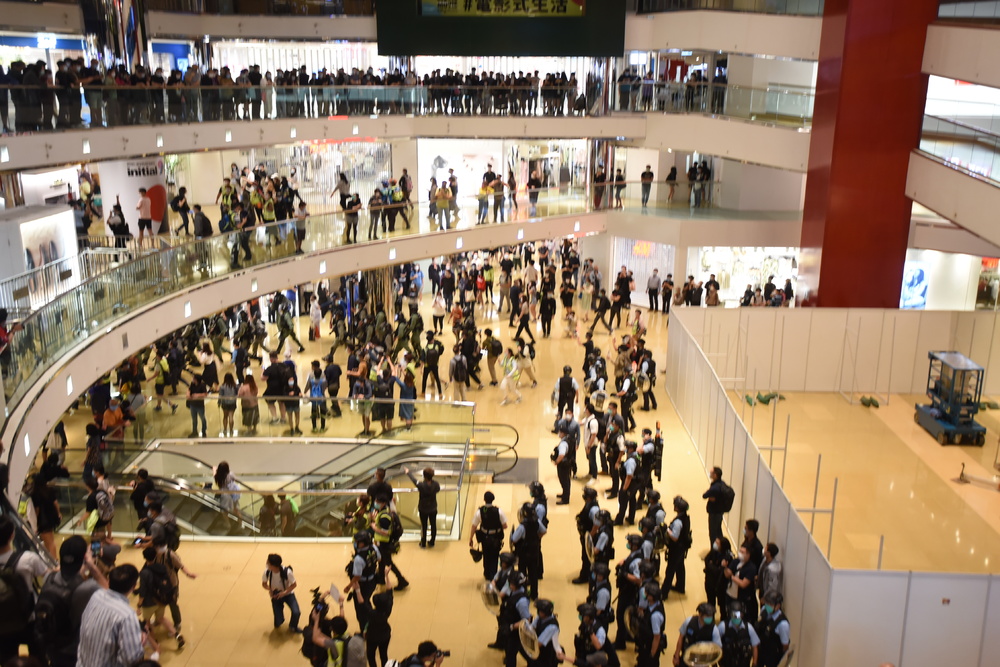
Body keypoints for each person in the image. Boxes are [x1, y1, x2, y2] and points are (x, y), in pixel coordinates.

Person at [36, 536, 108, 667]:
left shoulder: (49, 578)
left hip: (52, 644)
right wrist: (91, 565)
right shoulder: (87, 588)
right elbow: (110, 594)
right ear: (84, 559)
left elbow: (60, 571)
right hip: (74, 649)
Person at [0, 516, 48, 662]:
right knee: (38, 658)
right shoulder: (28, 558)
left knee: (8, 660)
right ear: (12, 535)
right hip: (28, 618)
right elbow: (46, 577)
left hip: (3, 623)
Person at [76, 564, 144, 667]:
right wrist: (139, 643)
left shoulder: (96, 595)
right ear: (134, 587)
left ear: (108, 581)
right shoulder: (127, 615)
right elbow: (131, 659)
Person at [344, 529, 380, 629]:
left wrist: (348, 586)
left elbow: (357, 576)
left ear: (363, 543)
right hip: (372, 581)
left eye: (357, 542)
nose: (355, 543)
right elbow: (379, 559)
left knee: (361, 609)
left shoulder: (359, 559)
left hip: (362, 585)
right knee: (366, 601)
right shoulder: (374, 548)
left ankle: (364, 630)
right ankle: (373, 619)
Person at [470, 491, 507, 580]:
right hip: (496, 538)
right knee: (494, 556)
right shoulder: (499, 511)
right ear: (493, 499)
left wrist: (470, 538)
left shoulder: (480, 512)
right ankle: (493, 575)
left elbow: (474, 526)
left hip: (484, 538)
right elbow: (505, 526)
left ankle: (486, 573)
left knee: (486, 555)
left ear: (484, 500)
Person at [672, 603, 722, 667]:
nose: (709, 618)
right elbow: (681, 638)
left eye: (711, 616)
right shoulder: (689, 622)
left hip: (703, 662)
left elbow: (717, 648)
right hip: (687, 657)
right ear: (700, 614)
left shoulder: (714, 629)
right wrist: (676, 656)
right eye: (707, 616)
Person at [500, 571, 532, 667]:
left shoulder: (522, 601)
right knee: (520, 648)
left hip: (516, 631)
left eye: (511, 583)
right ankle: (533, 662)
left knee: (511, 653)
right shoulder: (514, 591)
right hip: (510, 627)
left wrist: (511, 627)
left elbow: (527, 620)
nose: (509, 584)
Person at [262, 553, 301, 633]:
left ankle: (293, 626)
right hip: (275, 596)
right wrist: (270, 589)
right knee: (278, 620)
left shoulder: (287, 572)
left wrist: (284, 593)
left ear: (273, 565)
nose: (266, 563)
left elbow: (294, 584)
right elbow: (264, 584)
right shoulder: (267, 572)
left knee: (296, 612)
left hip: (288, 594)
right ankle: (278, 621)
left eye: (268, 562)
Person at [663, 496, 692, 598]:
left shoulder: (678, 522)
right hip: (682, 547)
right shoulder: (686, 518)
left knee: (670, 570)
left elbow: (675, 537)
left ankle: (664, 593)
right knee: (680, 567)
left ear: (677, 508)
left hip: (676, 548)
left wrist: (667, 529)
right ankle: (680, 586)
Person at [406, 467, 440, 548]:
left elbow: (414, 480)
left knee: (424, 526)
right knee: (433, 525)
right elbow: (438, 490)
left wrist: (408, 472)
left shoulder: (421, 485)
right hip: (433, 508)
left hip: (423, 509)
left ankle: (423, 542)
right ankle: (432, 541)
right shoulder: (436, 484)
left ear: (424, 476)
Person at [717, 602, 758, 667]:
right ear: (730, 614)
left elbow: (755, 646)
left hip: (743, 663)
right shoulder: (722, 626)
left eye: (738, 614)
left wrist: (754, 663)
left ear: (742, 614)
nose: (736, 617)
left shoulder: (749, 628)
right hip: (727, 662)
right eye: (734, 614)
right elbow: (715, 644)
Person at [635, 583, 666, 667]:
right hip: (644, 643)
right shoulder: (654, 604)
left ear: (651, 597)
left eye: (646, 593)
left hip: (649, 646)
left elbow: (656, 637)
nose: (644, 593)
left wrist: (652, 655)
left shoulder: (655, 616)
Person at [756, 593, 790, 667]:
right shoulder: (764, 610)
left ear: (778, 606)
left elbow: (785, 646)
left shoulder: (783, 624)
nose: (767, 606)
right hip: (761, 650)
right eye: (766, 603)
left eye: (770, 604)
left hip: (773, 657)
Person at [702, 467, 727, 547]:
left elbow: (704, 495)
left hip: (714, 513)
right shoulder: (722, 484)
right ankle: (721, 548)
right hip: (719, 512)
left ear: (715, 475)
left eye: (711, 473)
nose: (710, 474)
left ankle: (714, 551)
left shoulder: (715, 487)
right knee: (718, 532)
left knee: (713, 534)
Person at [186, 372, 208, 438]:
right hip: (192, 405)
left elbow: (205, 394)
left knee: (202, 418)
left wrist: (197, 395)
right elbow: (189, 390)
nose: (192, 379)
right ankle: (194, 431)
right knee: (194, 419)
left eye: (193, 378)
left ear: (196, 379)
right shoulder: (192, 384)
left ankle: (204, 431)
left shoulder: (202, 385)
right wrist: (188, 394)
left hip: (200, 405)